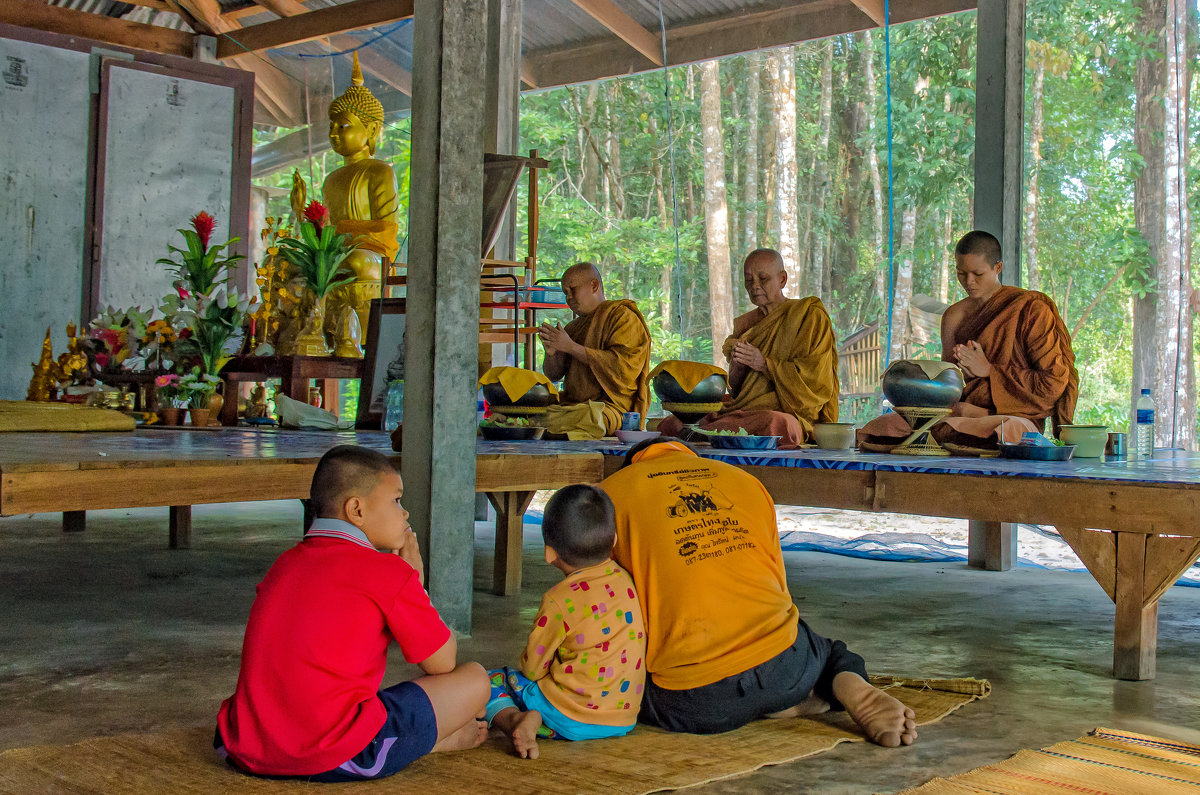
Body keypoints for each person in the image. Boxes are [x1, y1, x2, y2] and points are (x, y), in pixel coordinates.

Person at [602, 439, 917, 746]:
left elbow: (602, 601)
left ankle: (767, 706)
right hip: (788, 667)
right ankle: (812, 695)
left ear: (631, 466)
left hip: (695, 702)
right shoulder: (745, 481)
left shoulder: (607, 496)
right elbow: (778, 585)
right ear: (691, 457)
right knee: (827, 651)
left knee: (610, 687)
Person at [215, 445, 490, 781]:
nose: (404, 514)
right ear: (357, 509)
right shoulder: (388, 571)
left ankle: (422, 739)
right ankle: (426, 742)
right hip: (337, 754)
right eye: (396, 500)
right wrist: (415, 582)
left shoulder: (284, 563)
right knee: (476, 681)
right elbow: (442, 662)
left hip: (244, 744)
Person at [486, 484, 646, 759]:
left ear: (549, 554)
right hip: (623, 717)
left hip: (569, 718)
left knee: (488, 682)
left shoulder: (558, 600)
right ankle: (539, 721)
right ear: (614, 540)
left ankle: (518, 719)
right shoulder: (626, 580)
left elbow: (533, 669)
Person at [658, 249, 838, 448]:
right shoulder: (746, 325)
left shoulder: (809, 316)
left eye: (763, 279)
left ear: (782, 279)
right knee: (672, 422)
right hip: (743, 410)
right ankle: (708, 434)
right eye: (749, 280)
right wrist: (740, 368)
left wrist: (764, 364)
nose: (755, 287)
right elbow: (736, 390)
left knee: (779, 424)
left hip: (787, 412)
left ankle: (703, 436)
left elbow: (817, 384)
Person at [940, 230, 1078, 431]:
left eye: (978, 274)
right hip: (961, 410)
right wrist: (963, 377)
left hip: (1014, 417)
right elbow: (948, 385)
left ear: (998, 267)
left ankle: (978, 418)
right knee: (886, 425)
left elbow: (1052, 384)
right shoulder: (954, 316)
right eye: (961, 273)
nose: (968, 281)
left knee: (1007, 431)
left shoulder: (1030, 309)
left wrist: (989, 370)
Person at [322, 53, 401, 349]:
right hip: (339, 253)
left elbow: (386, 229)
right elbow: (328, 227)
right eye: (332, 126)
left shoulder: (379, 171)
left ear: (370, 130)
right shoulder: (332, 179)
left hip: (368, 254)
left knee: (354, 261)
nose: (333, 133)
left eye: (343, 126)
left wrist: (347, 239)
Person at [537, 262, 651, 439]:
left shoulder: (622, 316)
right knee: (532, 414)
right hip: (573, 406)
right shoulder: (573, 327)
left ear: (594, 285)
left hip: (611, 409)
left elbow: (623, 369)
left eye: (572, 290)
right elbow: (554, 375)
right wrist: (552, 353)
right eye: (565, 293)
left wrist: (570, 347)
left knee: (590, 418)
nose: (569, 298)